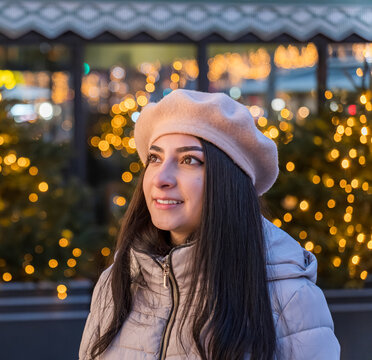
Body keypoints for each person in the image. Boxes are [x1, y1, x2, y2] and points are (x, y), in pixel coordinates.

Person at [79, 90, 340, 360]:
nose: (161, 179)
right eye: (155, 158)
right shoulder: (117, 282)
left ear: (228, 183)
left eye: (189, 160)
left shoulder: (288, 298)